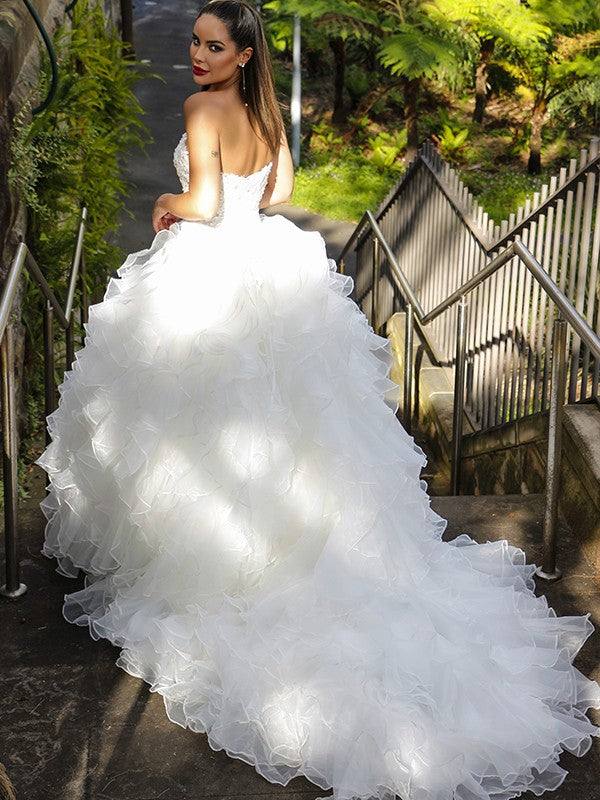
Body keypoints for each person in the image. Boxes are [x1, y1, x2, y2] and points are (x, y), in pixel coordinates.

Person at [37, 2, 599, 799]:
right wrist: (225, 202)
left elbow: (202, 200)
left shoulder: (203, 109)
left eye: (211, 45)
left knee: (193, 419)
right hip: (269, 266)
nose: (196, 56)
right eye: (194, 42)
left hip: (212, 269)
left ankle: (217, 561)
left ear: (240, 54)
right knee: (293, 424)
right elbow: (278, 192)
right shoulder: (267, 114)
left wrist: (171, 209)